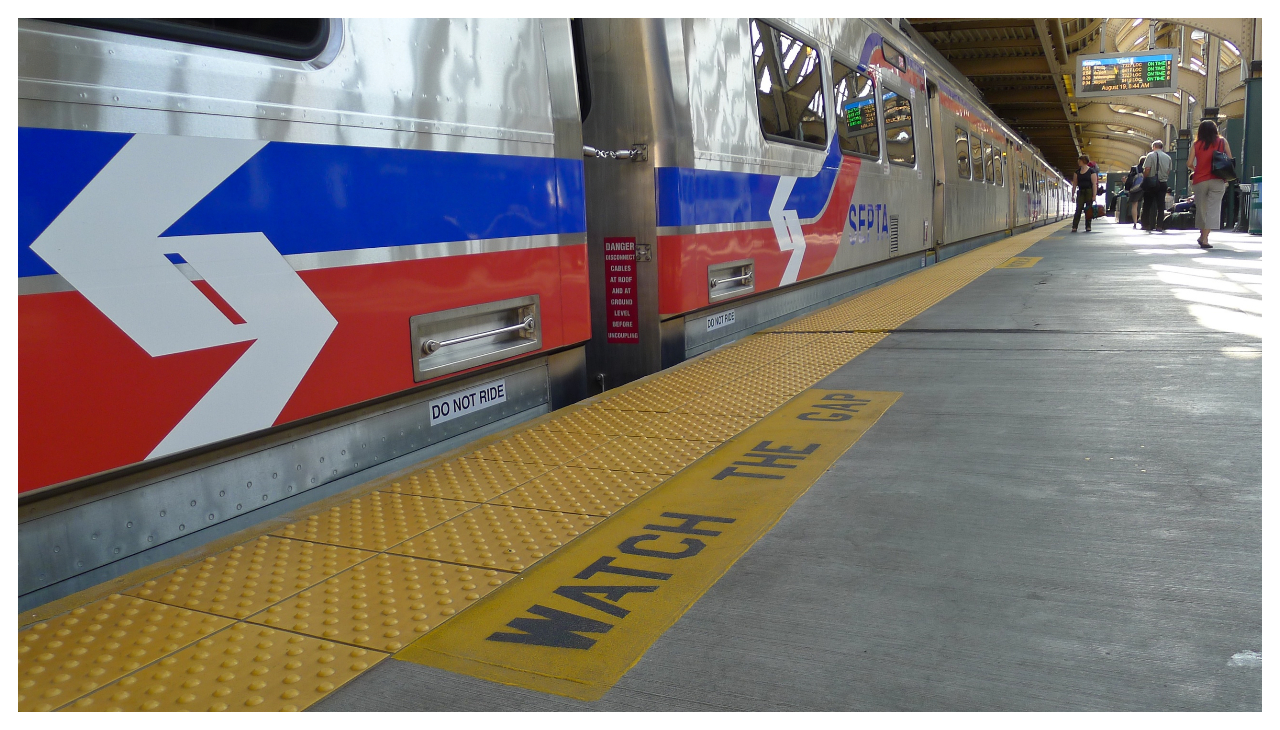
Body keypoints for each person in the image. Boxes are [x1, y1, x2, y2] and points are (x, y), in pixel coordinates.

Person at [1187, 119, 1233, 249]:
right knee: (1213, 209)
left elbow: (1189, 163)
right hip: (1218, 179)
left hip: (1200, 180)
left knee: (1201, 209)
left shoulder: (1196, 144)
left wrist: (1197, 169)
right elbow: (1230, 159)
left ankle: (1202, 235)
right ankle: (1205, 238)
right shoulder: (1222, 142)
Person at [1141, 140, 1172, 233]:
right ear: (1162, 147)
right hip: (1162, 183)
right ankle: (1159, 225)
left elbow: (1147, 169)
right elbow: (1168, 171)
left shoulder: (1150, 155)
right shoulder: (1168, 157)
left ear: (1154, 146)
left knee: (1147, 205)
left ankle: (1146, 224)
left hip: (1151, 183)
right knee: (1161, 205)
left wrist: (1145, 177)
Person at [1070, 154, 1097, 232]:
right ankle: (1074, 226)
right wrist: (1073, 194)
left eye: (1080, 160)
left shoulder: (1091, 171)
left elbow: (1094, 184)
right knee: (1078, 209)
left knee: (1088, 209)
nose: (1078, 162)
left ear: (1084, 161)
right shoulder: (1077, 172)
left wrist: (1094, 195)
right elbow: (1074, 184)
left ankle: (1088, 226)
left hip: (1089, 191)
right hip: (1081, 191)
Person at [1124, 162, 1144, 228]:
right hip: (1146, 187)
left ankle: (1135, 222)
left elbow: (1130, 180)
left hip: (1136, 188)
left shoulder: (1134, 168)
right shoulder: (1148, 167)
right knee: (1146, 204)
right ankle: (1144, 220)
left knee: (1134, 205)